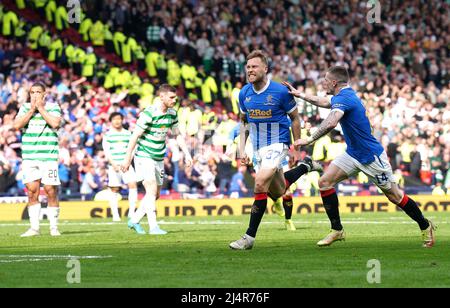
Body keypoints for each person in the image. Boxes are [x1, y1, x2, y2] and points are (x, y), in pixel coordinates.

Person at [284, 66, 436, 248]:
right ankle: (337, 230)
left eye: (325, 79)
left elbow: (331, 122)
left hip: (371, 157)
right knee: (324, 182)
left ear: (334, 82)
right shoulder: (344, 96)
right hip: (353, 153)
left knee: (394, 196)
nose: (323, 82)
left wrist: (309, 138)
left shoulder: (345, 98)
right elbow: (324, 102)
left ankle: (425, 225)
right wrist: (300, 95)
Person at [229, 50, 320, 250]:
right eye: (248, 67)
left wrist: (296, 147)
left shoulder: (279, 92)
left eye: (254, 66)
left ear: (265, 69)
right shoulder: (244, 93)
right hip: (258, 146)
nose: (250, 70)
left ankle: (249, 238)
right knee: (278, 191)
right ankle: (307, 166)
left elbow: (295, 118)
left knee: (260, 183)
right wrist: (242, 149)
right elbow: (243, 122)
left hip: (278, 143)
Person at [121, 84, 193, 235]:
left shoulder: (172, 113)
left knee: (155, 194)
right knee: (151, 190)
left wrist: (187, 154)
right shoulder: (149, 113)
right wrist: (127, 158)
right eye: (172, 97)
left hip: (159, 156)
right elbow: (135, 136)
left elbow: (177, 134)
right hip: (144, 156)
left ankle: (134, 220)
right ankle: (154, 227)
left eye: (175, 97)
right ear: (162, 97)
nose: (175, 100)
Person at [13, 82, 62, 237]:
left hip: (48, 156)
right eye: (32, 92)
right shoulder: (24, 108)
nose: (35, 95)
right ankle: (35, 228)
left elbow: (55, 123)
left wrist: (40, 108)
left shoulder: (53, 107)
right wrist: (32, 110)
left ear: (44, 94)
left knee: (50, 191)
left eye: (38, 92)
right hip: (29, 157)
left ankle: (53, 227)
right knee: (32, 192)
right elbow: (16, 125)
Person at [102, 112, 138, 222]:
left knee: (133, 185)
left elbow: (133, 148)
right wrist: (113, 164)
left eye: (119, 119)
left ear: (122, 120)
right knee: (114, 189)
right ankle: (115, 215)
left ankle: (132, 213)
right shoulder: (107, 135)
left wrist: (128, 162)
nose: (117, 121)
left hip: (126, 165)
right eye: (114, 119)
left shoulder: (128, 134)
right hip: (113, 166)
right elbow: (107, 151)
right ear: (111, 121)